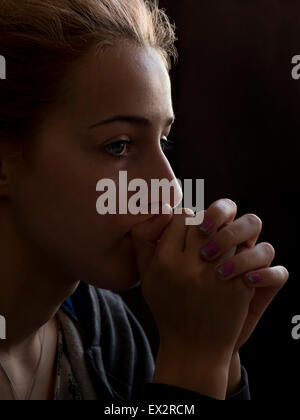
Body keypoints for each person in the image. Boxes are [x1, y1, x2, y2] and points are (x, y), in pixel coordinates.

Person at [0, 0, 289, 401]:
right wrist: (192, 363)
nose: (170, 190)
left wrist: (219, 361)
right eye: (118, 145)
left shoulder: (107, 333)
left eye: (164, 142)